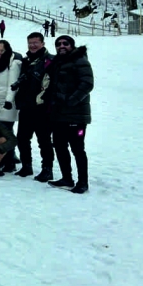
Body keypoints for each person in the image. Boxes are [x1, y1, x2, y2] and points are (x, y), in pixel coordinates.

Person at [40, 35, 94, 194]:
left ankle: (83, 182)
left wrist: (72, 101)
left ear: (72, 45)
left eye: (65, 43)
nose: (61, 46)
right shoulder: (57, 62)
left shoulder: (80, 60)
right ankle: (66, 178)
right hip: (58, 114)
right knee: (59, 146)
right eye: (58, 44)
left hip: (76, 115)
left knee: (77, 149)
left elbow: (87, 84)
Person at [13, 33, 55, 181]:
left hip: (42, 106)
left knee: (43, 139)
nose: (32, 46)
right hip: (26, 105)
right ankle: (26, 166)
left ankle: (47, 169)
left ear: (43, 43)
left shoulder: (50, 61)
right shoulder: (26, 61)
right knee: (22, 138)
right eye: (30, 43)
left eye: (36, 43)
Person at [0, 39, 21, 172]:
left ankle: (10, 161)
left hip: (7, 105)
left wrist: (8, 100)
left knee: (6, 135)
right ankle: (2, 159)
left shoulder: (13, 63)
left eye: (2, 50)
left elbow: (13, 84)